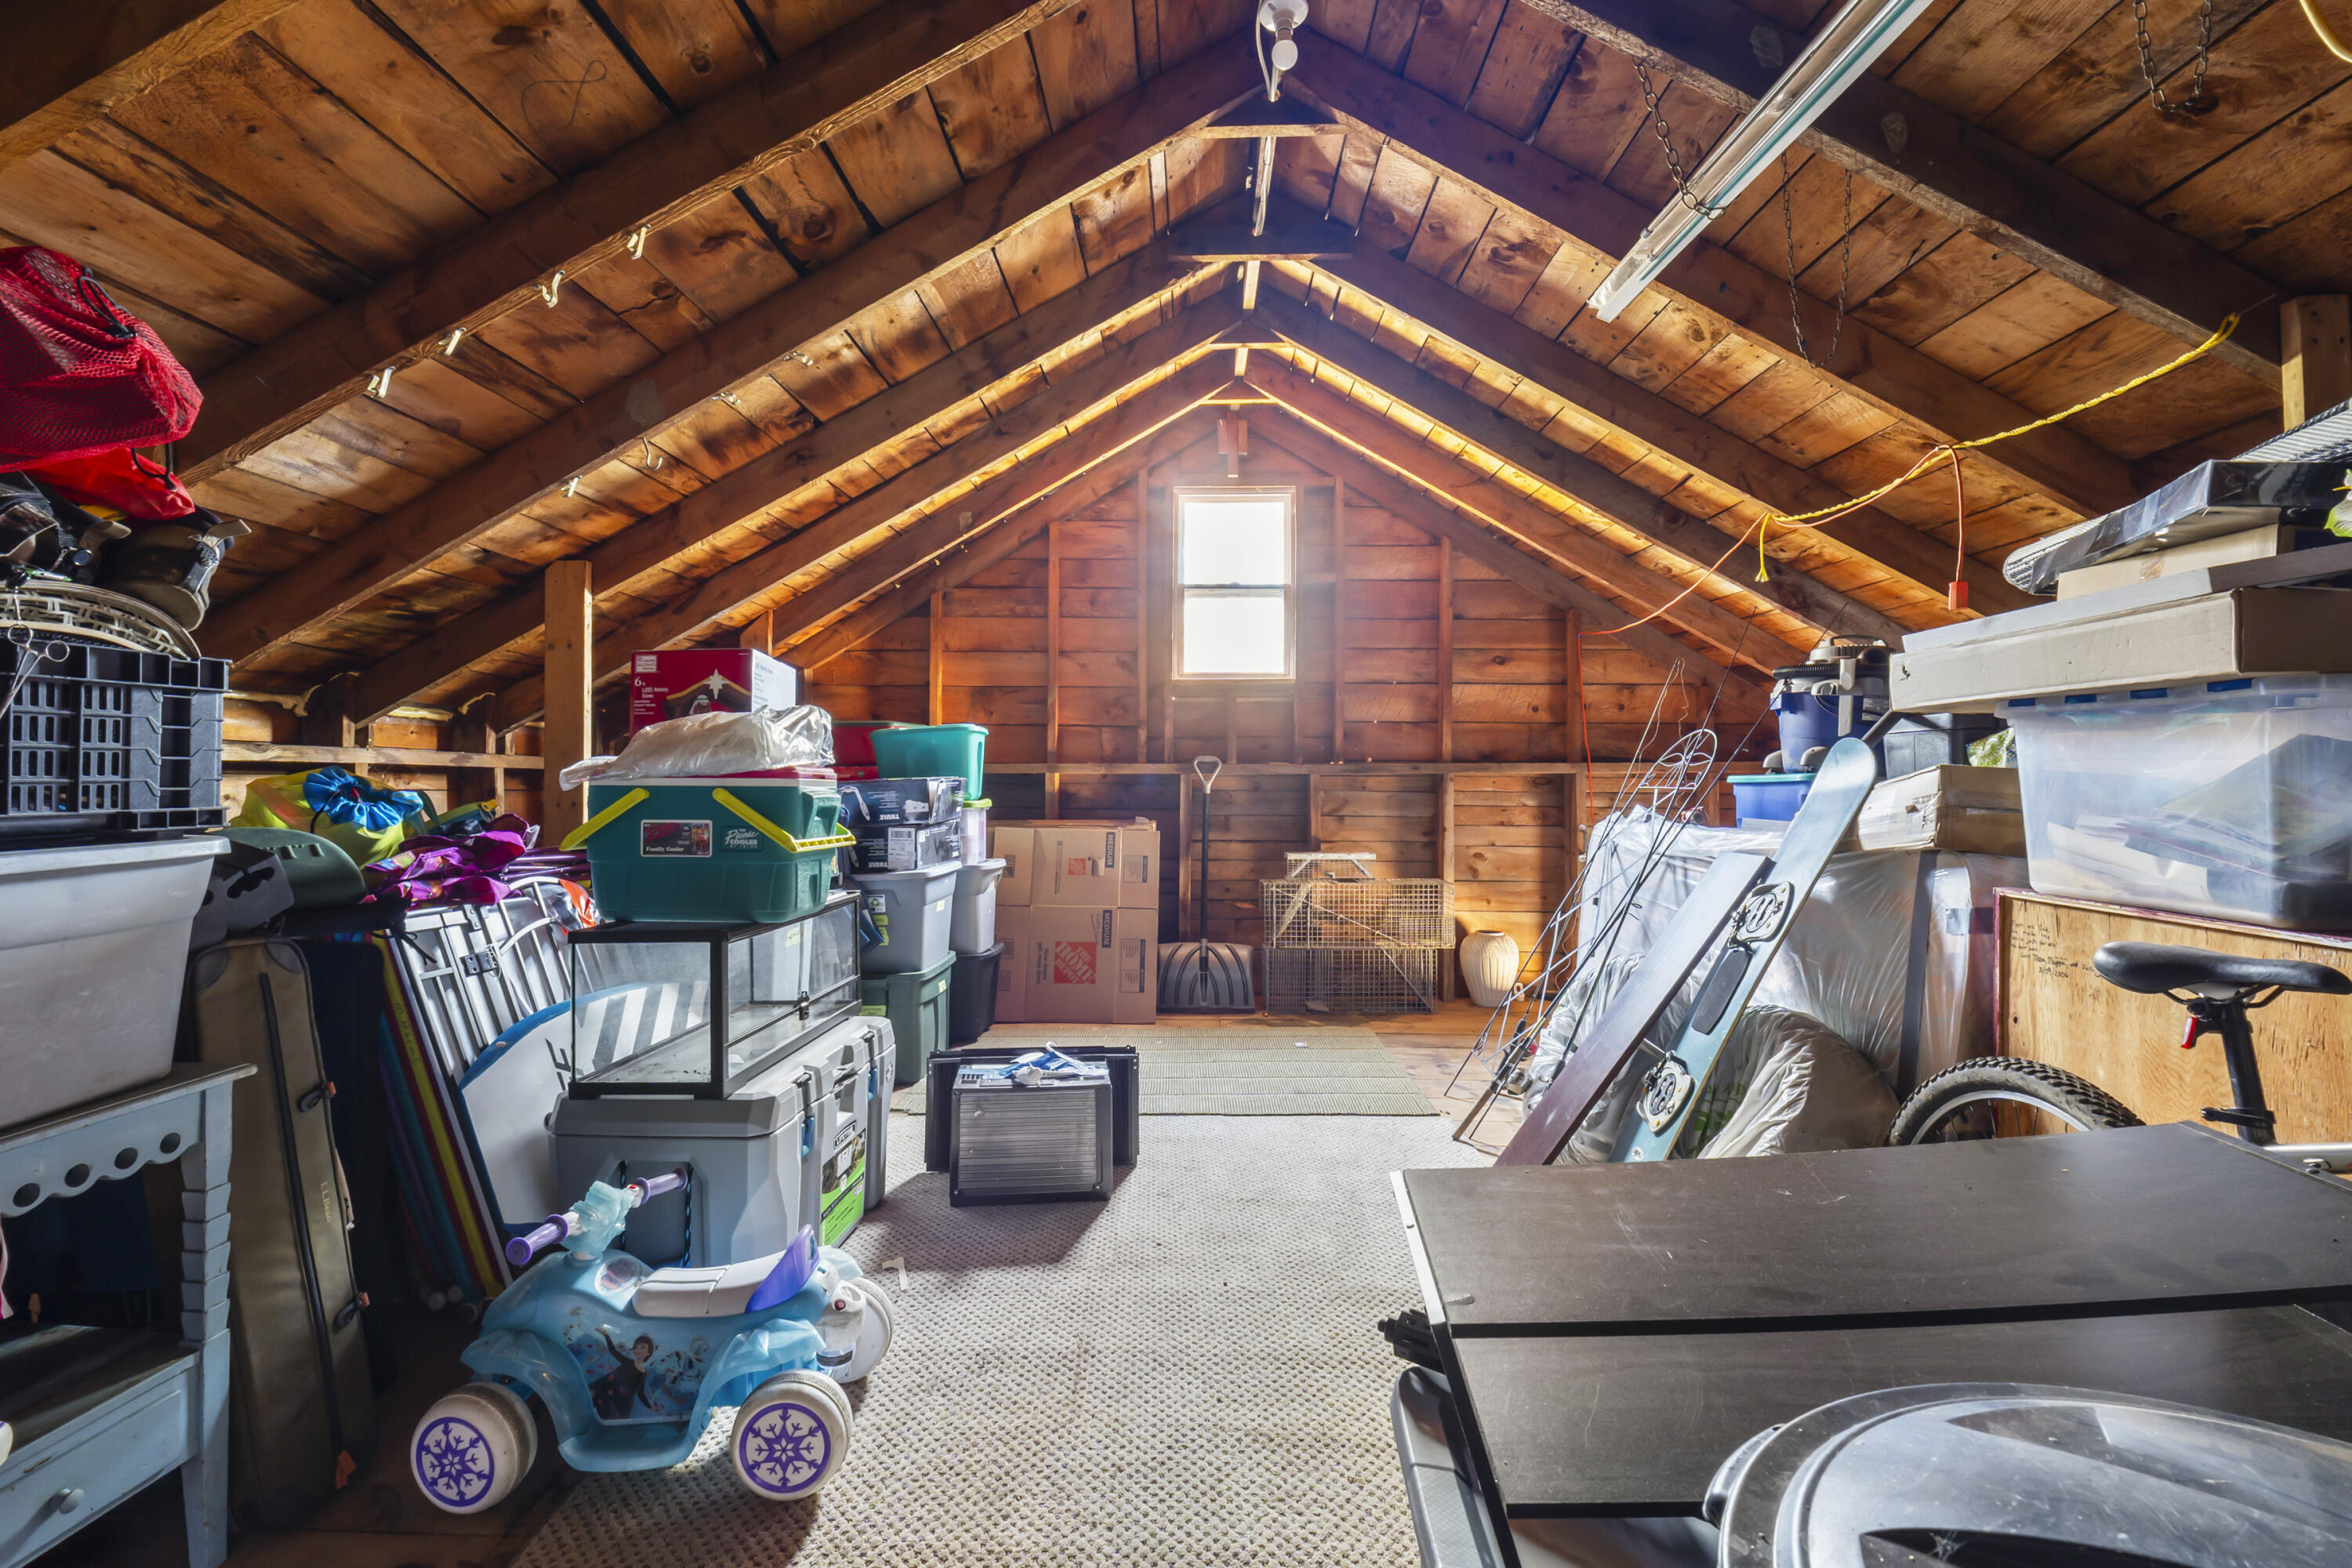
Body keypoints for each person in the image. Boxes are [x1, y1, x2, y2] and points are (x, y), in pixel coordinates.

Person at [590, 1328, 655, 1418]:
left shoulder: (643, 1373)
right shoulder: (629, 1362)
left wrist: (650, 1407)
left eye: (642, 1347)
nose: (638, 1350)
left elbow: (640, 1393)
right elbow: (613, 1351)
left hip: (619, 1402)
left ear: (649, 1353)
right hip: (605, 1390)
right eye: (636, 1347)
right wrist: (606, 1335)